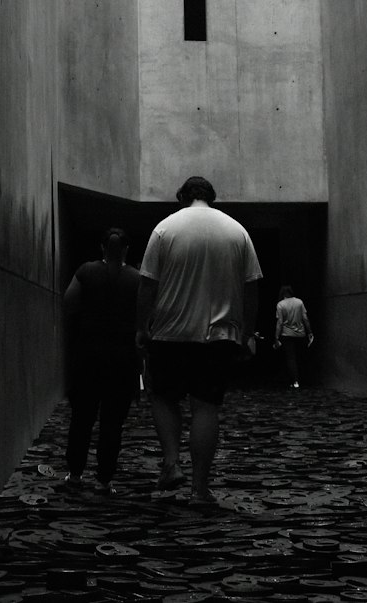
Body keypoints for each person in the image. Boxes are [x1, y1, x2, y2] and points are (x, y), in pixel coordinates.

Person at [136, 176, 262, 506]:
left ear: (183, 198)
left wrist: (141, 327)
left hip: (169, 333)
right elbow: (252, 287)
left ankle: (171, 462)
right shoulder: (238, 232)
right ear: (212, 197)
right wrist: (247, 332)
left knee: (163, 396)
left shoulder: (165, 229)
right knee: (206, 406)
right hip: (218, 336)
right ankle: (199, 489)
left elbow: (147, 284)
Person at [62, 226, 141, 493]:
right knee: (112, 423)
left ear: (102, 247)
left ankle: (74, 473)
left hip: (88, 354)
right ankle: (105, 478)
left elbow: (69, 303)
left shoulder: (86, 271)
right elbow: (145, 314)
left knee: (82, 417)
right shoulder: (136, 278)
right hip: (122, 358)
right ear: (127, 249)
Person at [274, 283, 313, 388]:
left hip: (287, 334)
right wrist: (309, 332)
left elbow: (280, 322)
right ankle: (305, 379)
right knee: (301, 356)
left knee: (290, 358)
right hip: (300, 333)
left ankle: (295, 381)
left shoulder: (280, 304)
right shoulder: (299, 302)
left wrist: (276, 337)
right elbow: (305, 318)